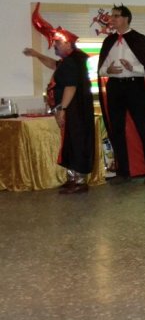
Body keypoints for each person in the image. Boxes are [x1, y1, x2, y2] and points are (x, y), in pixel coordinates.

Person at [24, 20, 95, 194]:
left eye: (57, 43)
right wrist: (37, 55)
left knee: (76, 142)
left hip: (74, 111)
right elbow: (53, 64)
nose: (54, 46)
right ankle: (72, 179)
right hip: (73, 110)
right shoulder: (70, 61)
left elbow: (71, 87)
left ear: (68, 44)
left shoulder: (72, 62)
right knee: (70, 142)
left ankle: (79, 181)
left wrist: (62, 109)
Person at [97, 4, 145, 184]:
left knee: (143, 128)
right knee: (117, 129)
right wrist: (109, 70)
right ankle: (123, 171)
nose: (112, 19)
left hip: (135, 86)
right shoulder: (108, 41)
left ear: (126, 18)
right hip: (115, 87)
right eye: (112, 16)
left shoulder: (139, 39)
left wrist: (132, 67)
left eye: (116, 16)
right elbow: (101, 70)